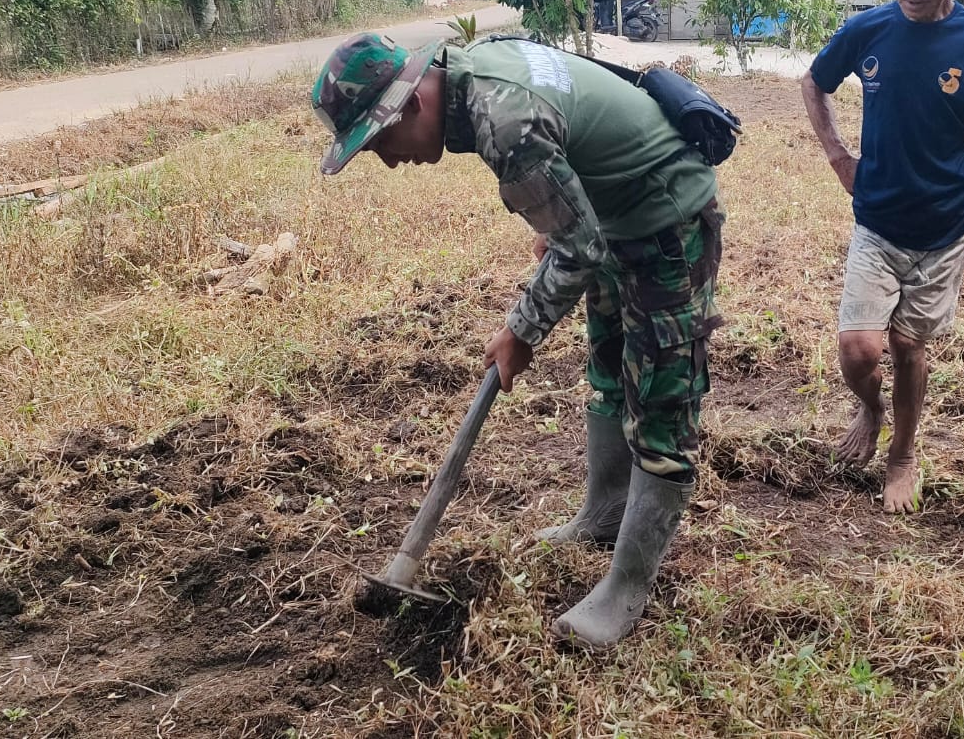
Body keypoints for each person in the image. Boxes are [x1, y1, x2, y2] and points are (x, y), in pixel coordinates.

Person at [310, 32, 723, 647]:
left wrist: (521, 331)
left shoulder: (503, 119)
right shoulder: (472, 74)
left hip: (665, 221)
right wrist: (558, 221)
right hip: (616, 216)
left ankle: (626, 589)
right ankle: (605, 512)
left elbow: (577, 250)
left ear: (412, 106)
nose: (389, 160)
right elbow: (572, 205)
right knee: (610, 369)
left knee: (660, 403)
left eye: (380, 143)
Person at [800, 0, 964, 514]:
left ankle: (903, 453)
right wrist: (839, 156)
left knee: (907, 347)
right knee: (859, 349)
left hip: (946, 225)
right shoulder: (868, 29)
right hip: (877, 218)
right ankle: (869, 410)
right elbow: (814, 83)